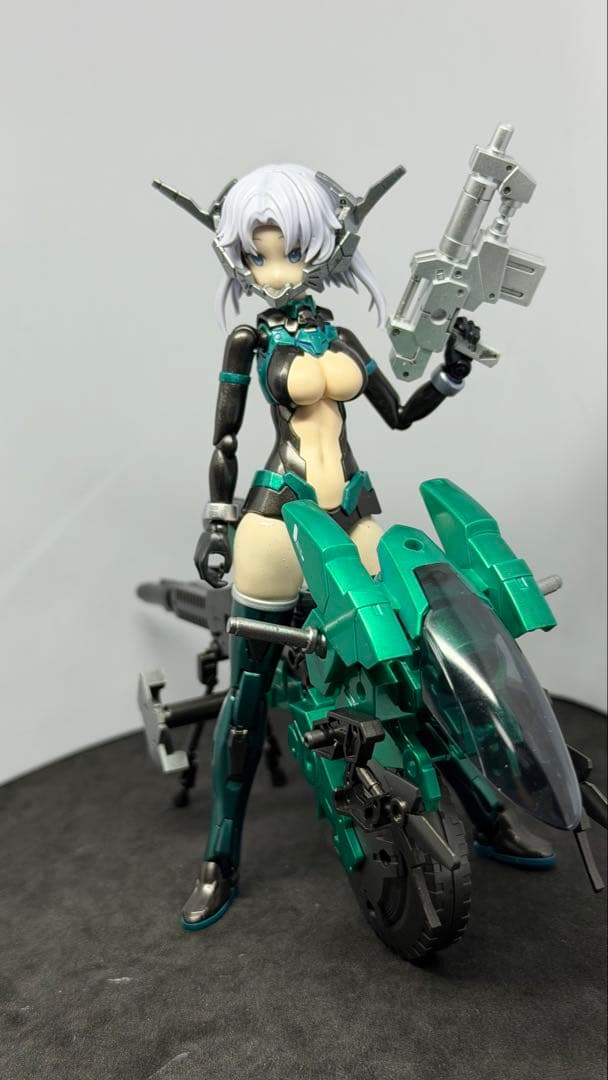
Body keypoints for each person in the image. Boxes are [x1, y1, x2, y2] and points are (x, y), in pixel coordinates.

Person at [155, 163, 554, 930]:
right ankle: (219, 858)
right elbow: (225, 439)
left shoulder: (340, 336)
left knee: (412, 666)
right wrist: (218, 522)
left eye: (291, 250)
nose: (275, 270)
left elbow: (398, 413)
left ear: (325, 247)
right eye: (259, 255)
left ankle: (488, 817)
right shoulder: (249, 339)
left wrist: (453, 370)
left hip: (354, 512)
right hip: (278, 518)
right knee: (248, 697)